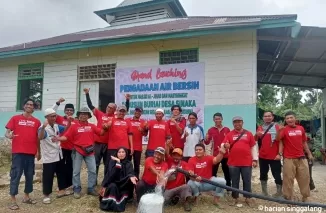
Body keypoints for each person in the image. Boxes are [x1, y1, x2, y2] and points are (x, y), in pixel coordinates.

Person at [52, 107, 108, 199]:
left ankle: (91, 188)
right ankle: (77, 189)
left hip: (90, 152)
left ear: (88, 116)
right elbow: (66, 137)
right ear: (78, 115)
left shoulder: (92, 126)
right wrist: (58, 138)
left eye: (85, 114)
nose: (83, 115)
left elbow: (101, 133)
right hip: (77, 151)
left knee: (93, 170)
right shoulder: (74, 126)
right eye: (81, 114)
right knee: (76, 172)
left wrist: (105, 128)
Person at [83, 88, 130, 181]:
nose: (109, 109)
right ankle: (93, 182)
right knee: (95, 163)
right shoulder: (100, 114)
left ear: (115, 110)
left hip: (108, 145)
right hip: (97, 143)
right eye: (108, 107)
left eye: (112, 108)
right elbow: (90, 106)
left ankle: (106, 181)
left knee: (107, 164)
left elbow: (125, 110)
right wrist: (87, 94)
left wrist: (127, 100)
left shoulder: (115, 117)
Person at [5, 98, 41, 210]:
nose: (30, 106)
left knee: (30, 176)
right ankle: (13, 200)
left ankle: (26, 197)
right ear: (24, 106)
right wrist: (9, 135)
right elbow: (7, 132)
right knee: (15, 175)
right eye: (28, 104)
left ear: (34, 108)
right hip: (18, 153)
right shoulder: (15, 118)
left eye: (32, 105)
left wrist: (39, 151)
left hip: (30, 153)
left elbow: (37, 138)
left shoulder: (37, 122)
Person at [276, 111, 313, 202]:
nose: (289, 120)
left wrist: (309, 153)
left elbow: (304, 142)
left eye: (291, 117)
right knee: (288, 179)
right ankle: (289, 198)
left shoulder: (301, 128)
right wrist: (280, 130)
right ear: (285, 120)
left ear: (295, 119)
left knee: (305, 178)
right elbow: (277, 139)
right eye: (287, 118)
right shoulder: (284, 129)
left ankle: (305, 197)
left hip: (301, 157)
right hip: (289, 158)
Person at [38, 108, 72, 204]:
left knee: (61, 173)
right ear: (46, 117)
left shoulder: (57, 126)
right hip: (49, 156)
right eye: (52, 116)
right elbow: (40, 137)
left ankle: (61, 190)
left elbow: (66, 129)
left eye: (55, 115)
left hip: (58, 154)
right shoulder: (42, 128)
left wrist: (69, 122)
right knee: (48, 176)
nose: (54, 118)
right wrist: (44, 127)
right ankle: (46, 195)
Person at [222, 116, 258, 207]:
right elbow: (223, 144)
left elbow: (253, 147)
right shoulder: (229, 134)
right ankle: (235, 198)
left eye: (239, 122)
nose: (237, 124)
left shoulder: (248, 133)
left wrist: (255, 159)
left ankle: (247, 198)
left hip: (246, 162)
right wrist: (225, 145)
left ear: (242, 123)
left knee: (247, 181)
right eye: (235, 122)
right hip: (233, 163)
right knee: (235, 181)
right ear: (233, 124)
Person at [187, 144, 227, 208]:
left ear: (204, 151)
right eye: (196, 150)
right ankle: (196, 198)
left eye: (200, 150)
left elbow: (216, 160)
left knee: (222, 181)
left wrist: (221, 153)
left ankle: (216, 201)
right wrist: (195, 178)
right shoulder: (191, 160)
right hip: (198, 183)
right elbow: (191, 175)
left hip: (209, 181)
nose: (198, 151)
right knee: (190, 183)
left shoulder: (208, 157)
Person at [99, 147, 138, 212]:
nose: (121, 154)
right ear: (116, 154)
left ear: (126, 153)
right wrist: (118, 163)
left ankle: (129, 197)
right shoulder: (112, 162)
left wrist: (131, 176)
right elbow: (110, 176)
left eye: (123, 152)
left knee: (131, 179)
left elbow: (131, 174)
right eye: (119, 152)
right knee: (112, 187)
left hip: (123, 185)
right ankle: (110, 204)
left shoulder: (129, 163)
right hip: (113, 183)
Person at [52, 97, 76, 194]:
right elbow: (51, 111)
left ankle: (69, 186)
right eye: (67, 110)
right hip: (61, 147)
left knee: (70, 167)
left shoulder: (76, 121)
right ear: (65, 111)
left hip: (72, 148)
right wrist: (58, 102)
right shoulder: (59, 118)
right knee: (60, 167)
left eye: (71, 110)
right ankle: (61, 186)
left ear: (73, 111)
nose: (69, 112)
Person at [255, 111, 282, 197]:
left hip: (275, 156)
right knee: (263, 174)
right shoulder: (260, 127)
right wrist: (256, 134)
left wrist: (280, 154)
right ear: (263, 118)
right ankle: (264, 192)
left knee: (277, 174)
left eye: (269, 116)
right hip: (263, 156)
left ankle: (279, 192)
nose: (267, 118)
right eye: (265, 116)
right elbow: (255, 139)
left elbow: (281, 141)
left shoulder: (278, 127)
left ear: (272, 117)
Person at [204, 113, 231, 189]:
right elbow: (207, 143)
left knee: (227, 172)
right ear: (213, 120)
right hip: (215, 155)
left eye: (219, 118)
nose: (217, 120)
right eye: (216, 119)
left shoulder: (227, 129)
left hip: (225, 155)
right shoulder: (210, 130)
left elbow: (230, 141)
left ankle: (228, 188)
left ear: (222, 119)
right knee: (213, 172)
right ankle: (213, 187)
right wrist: (206, 139)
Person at [125, 107, 147, 179]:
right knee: (127, 163)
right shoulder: (128, 120)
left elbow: (145, 134)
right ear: (134, 112)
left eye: (139, 111)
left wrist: (142, 131)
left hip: (138, 147)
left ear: (141, 113)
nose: (137, 112)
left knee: (136, 164)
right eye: (136, 111)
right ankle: (127, 177)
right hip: (128, 146)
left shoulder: (143, 122)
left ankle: (136, 178)